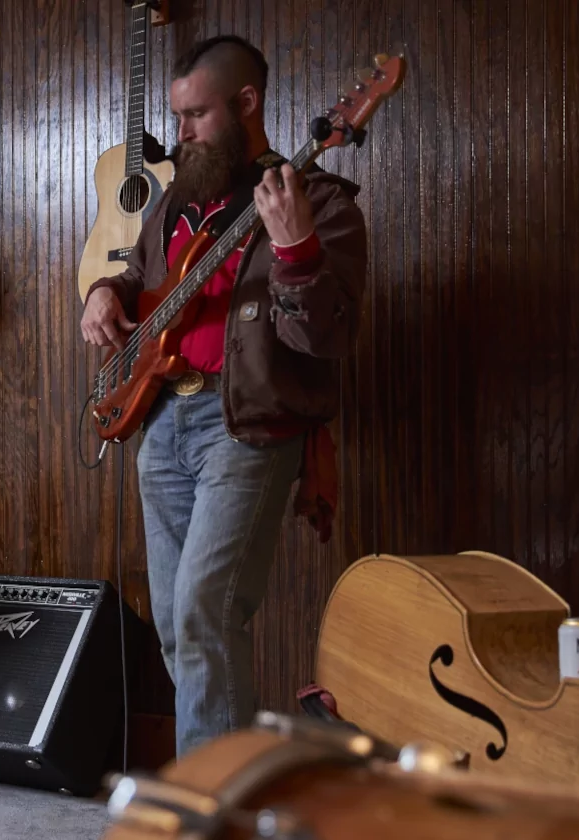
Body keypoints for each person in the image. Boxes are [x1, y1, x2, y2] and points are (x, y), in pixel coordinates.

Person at [80, 36, 368, 758]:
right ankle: (225, 773)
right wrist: (103, 293)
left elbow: (326, 339)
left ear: (247, 104)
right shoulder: (179, 203)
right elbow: (141, 277)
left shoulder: (321, 203)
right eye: (177, 117)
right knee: (177, 623)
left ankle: (211, 804)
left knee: (207, 610)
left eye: (196, 116)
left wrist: (297, 251)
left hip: (242, 428)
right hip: (163, 420)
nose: (180, 134)